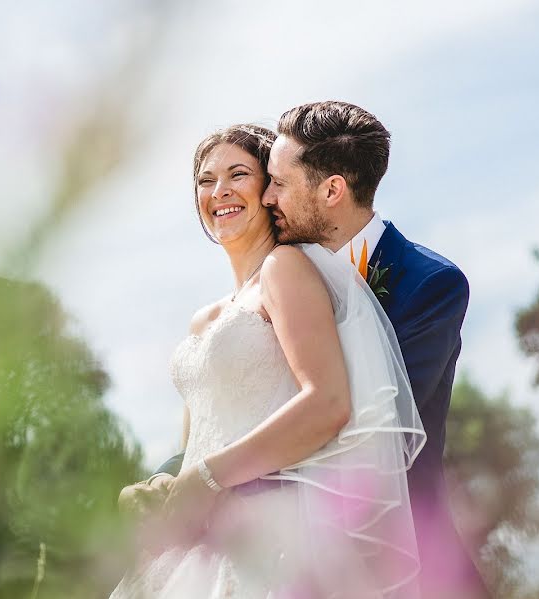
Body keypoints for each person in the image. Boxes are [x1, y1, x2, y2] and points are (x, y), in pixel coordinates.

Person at [126, 102, 490, 598]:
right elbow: (237, 412)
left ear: (332, 189)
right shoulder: (278, 278)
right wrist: (166, 485)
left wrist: (211, 488)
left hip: (394, 556)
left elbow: (360, 424)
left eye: (275, 182)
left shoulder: (427, 284)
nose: (269, 196)